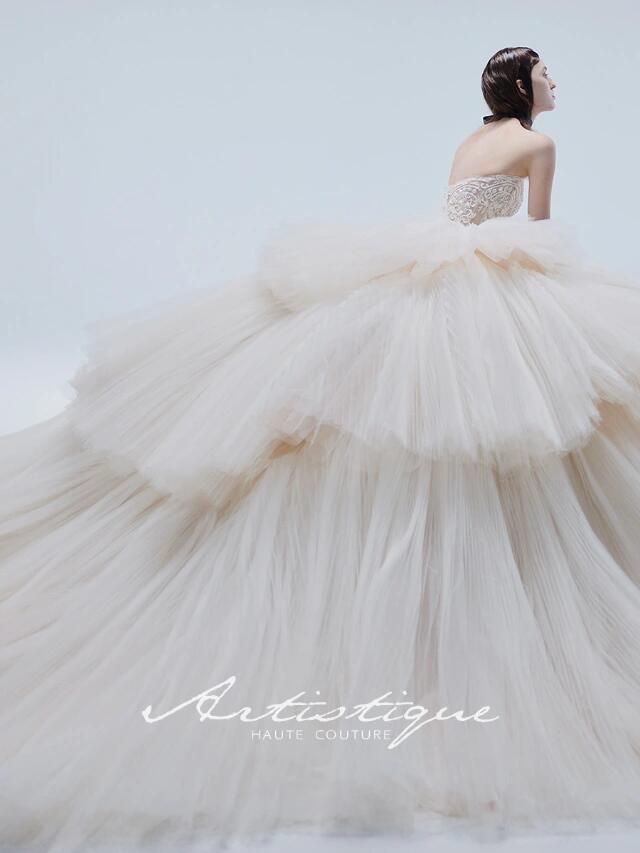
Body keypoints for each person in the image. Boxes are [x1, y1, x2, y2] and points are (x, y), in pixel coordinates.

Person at [2, 45, 640, 852]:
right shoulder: (538, 144)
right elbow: (538, 234)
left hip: (440, 266)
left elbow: (462, 215)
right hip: (481, 276)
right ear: (522, 86)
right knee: (520, 405)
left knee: (439, 414)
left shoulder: (474, 138)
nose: (554, 84)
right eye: (546, 75)